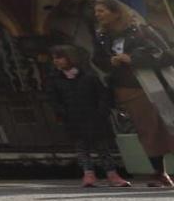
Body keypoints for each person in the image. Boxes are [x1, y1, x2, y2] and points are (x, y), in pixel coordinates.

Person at [90, 0, 174, 188]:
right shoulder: (102, 38)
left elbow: (166, 54)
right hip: (128, 89)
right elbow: (97, 59)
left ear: (116, 12)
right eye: (96, 12)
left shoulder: (143, 31)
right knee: (148, 131)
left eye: (102, 11)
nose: (98, 15)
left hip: (157, 86)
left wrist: (132, 58)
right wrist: (109, 62)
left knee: (170, 124)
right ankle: (160, 173)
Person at [48, 46, 124, 188]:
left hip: (94, 117)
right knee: (82, 148)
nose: (56, 61)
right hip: (73, 118)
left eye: (59, 57)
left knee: (103, 148)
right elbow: (54, 99)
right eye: (54, 58)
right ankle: (88, 174)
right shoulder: (55, 79)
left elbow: (102, 95)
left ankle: (112, 174)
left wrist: (102, 112)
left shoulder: (89, 76)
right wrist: (62, 113)